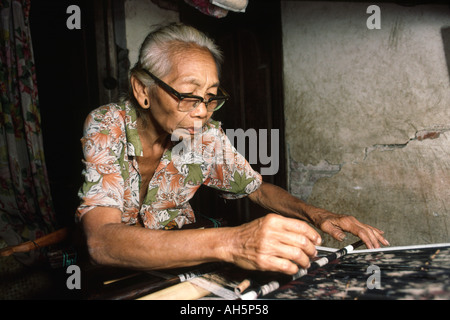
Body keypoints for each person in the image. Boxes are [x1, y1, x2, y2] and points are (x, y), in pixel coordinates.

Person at [76, 23, 389, 276]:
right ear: (143, 90)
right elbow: (102, 241)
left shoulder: (205, 136)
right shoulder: (107, 125)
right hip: (119, 270)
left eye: (211, 96)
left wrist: (319, 214)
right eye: (188, 95)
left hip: (180, 265)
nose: (203, 111)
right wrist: (236, 242)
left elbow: (256, 189)